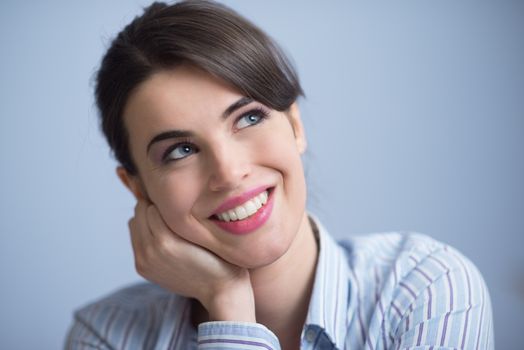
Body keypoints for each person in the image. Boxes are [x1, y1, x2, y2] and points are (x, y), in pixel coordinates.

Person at [65, 1, 494, 349]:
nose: (230, 173)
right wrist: (228, 306)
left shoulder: (424, 289)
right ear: (137, 188)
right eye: (181, 150)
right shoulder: (109, 335)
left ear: (295, 126)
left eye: (248, 119)